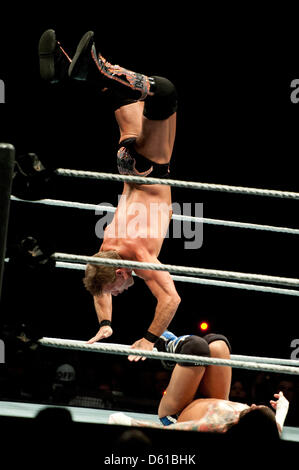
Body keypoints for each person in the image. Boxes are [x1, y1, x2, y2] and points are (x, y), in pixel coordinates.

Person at [39, 30, 180, 360]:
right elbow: (98, 282)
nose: (120, 293)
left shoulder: (138, 261)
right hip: (127, 166)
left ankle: (97, 66)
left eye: (117, 290)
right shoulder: (105, 251)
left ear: (120, 274)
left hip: (150, 170)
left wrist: (148, 339)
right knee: (122, 98)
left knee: (166, 93)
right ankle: (65, 68)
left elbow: (171, 299)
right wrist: (105, 322)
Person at [109, 330, 289, 439]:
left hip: (177, 412)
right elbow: (275, 426)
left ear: (246, 420)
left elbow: (169, 431)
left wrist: (123, 421)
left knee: (196, 348)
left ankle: (170, 347)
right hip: (213, 397)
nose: (253, 404)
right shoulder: (267, 430)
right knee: (219, 343)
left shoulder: (213, 425)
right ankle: (179, 358)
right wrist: (282, 407)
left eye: (253, 408)